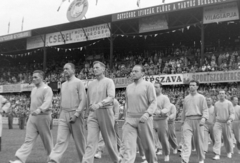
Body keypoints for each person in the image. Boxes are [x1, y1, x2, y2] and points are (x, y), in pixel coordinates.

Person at [9, 70, 53, 163]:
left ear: (41, 78)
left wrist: (40, 109)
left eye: (36, 77)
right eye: (33, 77)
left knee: (47, 140)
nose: (33, 79)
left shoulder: (47, 89)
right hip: (32, 117)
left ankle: (52, 159)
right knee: (28, 140)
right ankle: (20, 159)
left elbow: (48, 102)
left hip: (43, 116)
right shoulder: (33, 89)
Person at [48, 63, 87, 163]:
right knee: (60, 140)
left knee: (79, 142)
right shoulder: (63, 84)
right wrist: (61, 113)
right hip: (63, 114)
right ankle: (53, 160)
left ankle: (85, 161)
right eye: (64, 69)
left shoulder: (79, 82)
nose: (65, 70)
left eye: (67, 69)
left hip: (75, 114)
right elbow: (62, 100)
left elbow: (83, 100)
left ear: (73, 71)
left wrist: (77, 114)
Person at [82, 61, 119, 163]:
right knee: (90, 140)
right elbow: (88, 101)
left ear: (103, 69)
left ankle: (117, 160)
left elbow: (111, 97)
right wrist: (85, 117)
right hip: (93, 114)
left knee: (110, 140)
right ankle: (86, 161)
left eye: (97, 67)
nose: (94, 69)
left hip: (105, 111)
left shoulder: (109, 81)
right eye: (93, 68)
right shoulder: (90, 84)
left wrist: (100, 104)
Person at [121, 65, 157, 163]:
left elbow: (153, 102)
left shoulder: (148, 85)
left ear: (142, 73)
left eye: (136, 71)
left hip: (144, 118)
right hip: (130, 120)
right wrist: (126, 118)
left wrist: (147, 113)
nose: (133, 73)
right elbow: (126, 104)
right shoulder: (128, 87)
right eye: (132, 71)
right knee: (128, 147)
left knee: (148, 146)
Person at [181, 80, 208, 163]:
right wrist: (182, 121)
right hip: (188, 121)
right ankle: (185, 159)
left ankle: (201, 159)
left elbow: (205, 109)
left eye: (193, 85)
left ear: (197, 87)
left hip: (198, 120)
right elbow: (184, 111)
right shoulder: (186, 98)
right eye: (190, 85)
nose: (191, 87)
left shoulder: (201, 97)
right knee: (186, 141)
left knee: (199, 142)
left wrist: (204, 118)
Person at [212, 90, 234, 160]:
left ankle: (229, 152)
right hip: (218, 123)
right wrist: (213, 123)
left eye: (223, 93)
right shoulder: (216, 104)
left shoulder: (229, 103)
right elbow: (214, 114)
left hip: (227, 123)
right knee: (217, 139)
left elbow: (232, 113)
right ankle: (217, 154)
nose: (221, 94)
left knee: (227, 138)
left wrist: (230, 119)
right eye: (220, 93)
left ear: (225, 95)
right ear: (218, 95)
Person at [153, 81, 171, 162]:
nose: (155, 88)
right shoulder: (151, 98)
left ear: (161, 88)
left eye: (156, 87)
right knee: (151, 139)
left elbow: (167, 108)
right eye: (154, 87)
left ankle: (166, 153)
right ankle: (152, 157)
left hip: (162, 120)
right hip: (152, 120)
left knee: (163, 139)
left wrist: (160, 112)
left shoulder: (165, 98)